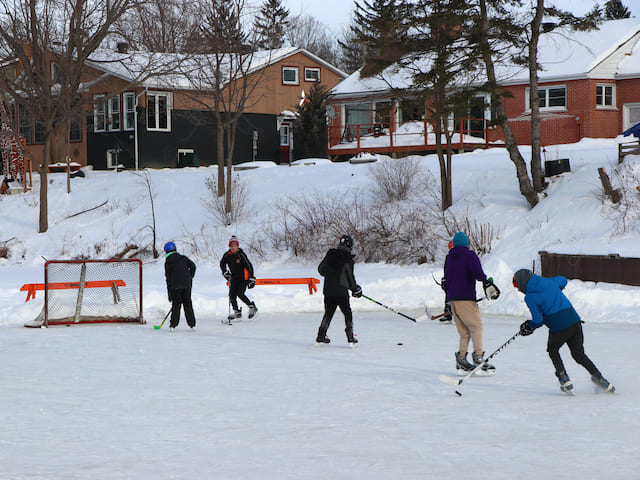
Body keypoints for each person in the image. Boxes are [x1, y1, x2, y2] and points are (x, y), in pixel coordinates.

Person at [512, 268, 615, 394]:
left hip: (558, 328)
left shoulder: (530, 297)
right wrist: (554, 291)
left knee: (553, 350)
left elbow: (538, 320)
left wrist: (529, 326)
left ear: (523, 282)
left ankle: (564, 378)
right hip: (574, 322)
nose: (518, 289)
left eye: (517, 286)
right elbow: (563, 280)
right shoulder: (548, 282)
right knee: (579, 355)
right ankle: (600, 379)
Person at [443, 231, 500, 375]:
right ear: (466, 243)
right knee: (476, 327)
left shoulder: (450, 258)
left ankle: (461, 358)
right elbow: (477, 272)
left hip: (452, 299)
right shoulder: (469, 255)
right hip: (465, 298)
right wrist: (486, 282)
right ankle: (478, 357)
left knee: (464, 332)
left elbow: (446, 279)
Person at [316, 234, 362, 346]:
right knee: (347, 313)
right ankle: (350, 336)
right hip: (341, 292)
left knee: (328, 313)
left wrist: (331, 275)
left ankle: (321, 335)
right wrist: (356, 289)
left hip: (328, 291)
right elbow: (350, 278)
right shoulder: (347, 258)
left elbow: (321, 270)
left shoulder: (330, 254)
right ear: (349, 245)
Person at [219, 235, 257, 319]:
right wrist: (225, 272)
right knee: (232, 295)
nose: (233, 248)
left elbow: (249, 265)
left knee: (240, 293)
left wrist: (251, 277)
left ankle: (252, 307)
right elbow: (222, 263)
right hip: (234, 278)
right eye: (232, 246)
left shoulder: (241, 255)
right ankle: (237, 312)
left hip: (243, 278)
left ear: (237, 246)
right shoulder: (227, 255)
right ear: (230, 246)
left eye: (235, 246)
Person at [164, 241, 197, 331]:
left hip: (175, 286)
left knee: (176, 305)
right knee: (187, 303)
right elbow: (193, 266)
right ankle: (192, 324)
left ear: (166, 251)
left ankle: (173, 325)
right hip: (187, 284)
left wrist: (169, 293)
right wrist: (190, 276)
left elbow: (168, 278)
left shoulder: (168, 261)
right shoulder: (183, 258)